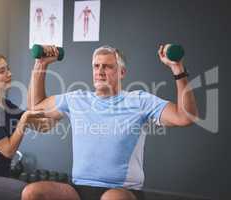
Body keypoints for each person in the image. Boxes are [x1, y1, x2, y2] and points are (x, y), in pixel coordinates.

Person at [22, 44, 198, 200]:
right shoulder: (77, 99)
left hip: (121, 191)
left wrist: (177, 69)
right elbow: (36, 107)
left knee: (112, 198)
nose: (100, 71)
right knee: (32, 192)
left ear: (122, 72)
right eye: (96, 66)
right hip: (80, 188)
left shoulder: (139, 101)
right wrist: (41, 64)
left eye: (107, 66)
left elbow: (185, 117)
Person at [0, 54, 79, 200]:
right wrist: (23, 121)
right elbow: (8, 151)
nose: (9, 73)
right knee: (31, 193)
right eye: (2, 71)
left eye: (8, 69)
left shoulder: (6, 105)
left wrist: (66, 109)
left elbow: (43, 126)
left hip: (0, 175)